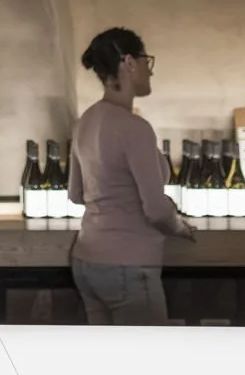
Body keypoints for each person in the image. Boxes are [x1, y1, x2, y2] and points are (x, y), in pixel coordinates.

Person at [67, 26, 196, 324]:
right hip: (128, 265)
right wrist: (180, 228)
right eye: (146, 61)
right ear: (129, 62)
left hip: (87, 260)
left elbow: (75, 194)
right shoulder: (134, 128)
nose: (150, 71)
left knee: (107, 352)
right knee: (146, 352)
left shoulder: (85, 121)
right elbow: (156, 209)